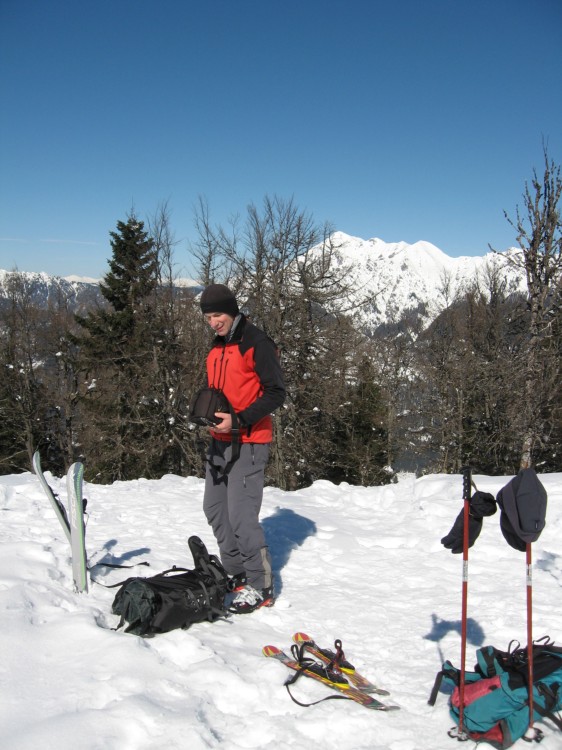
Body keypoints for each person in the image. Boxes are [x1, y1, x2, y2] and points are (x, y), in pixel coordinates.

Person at [198, 283, 286, 614]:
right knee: (215, 510)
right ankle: (236, 573)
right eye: (208, 317)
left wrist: (239, 420)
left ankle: (261, 585)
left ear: (232, 310)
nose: (213, 323)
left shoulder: (256, 342)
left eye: (217, 315)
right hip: (220, 441)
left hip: (249, 441)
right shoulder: (219, 345)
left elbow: (276, 393)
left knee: (241, 516)